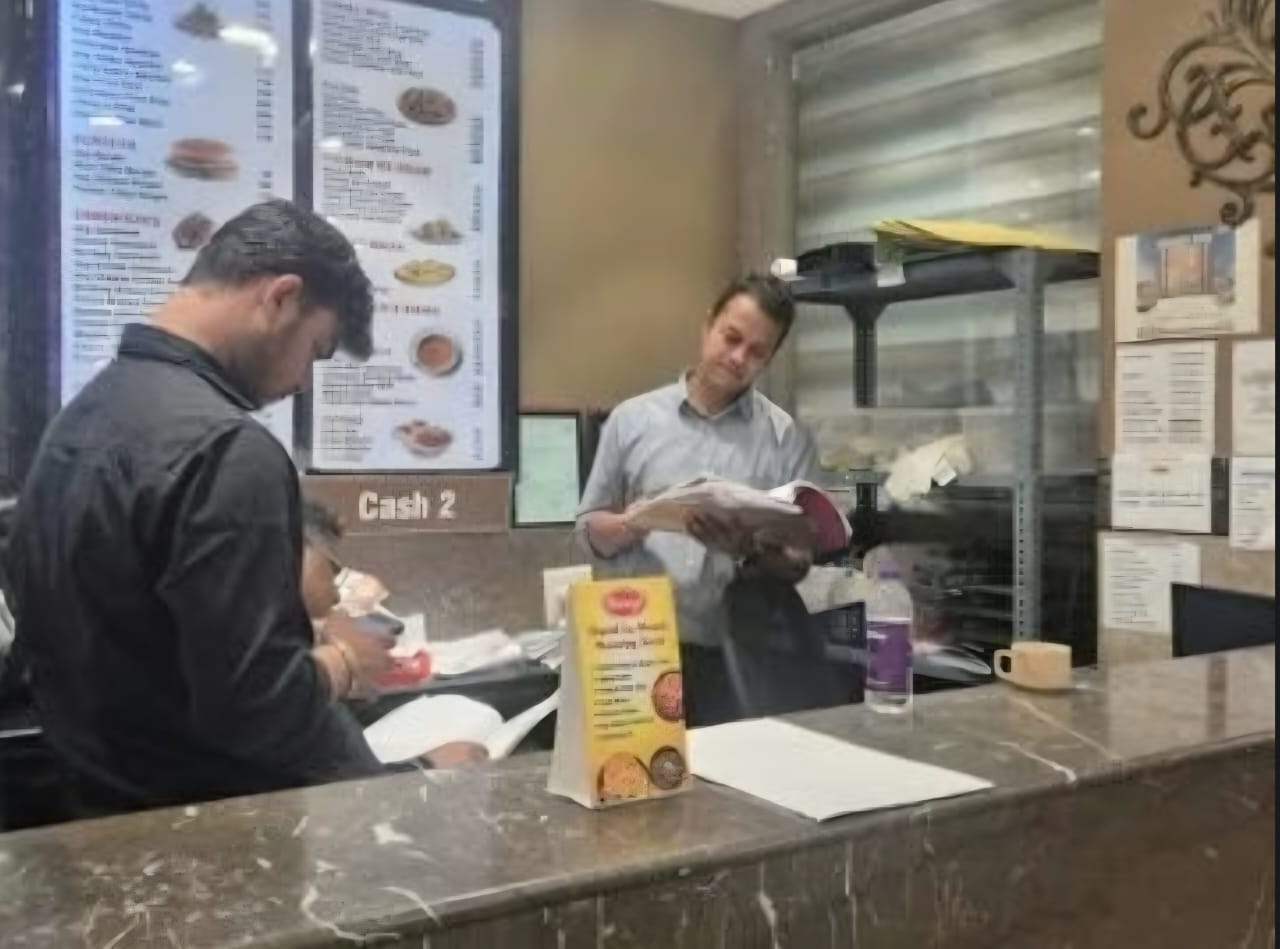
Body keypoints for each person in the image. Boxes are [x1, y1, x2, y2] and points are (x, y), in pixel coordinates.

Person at [8, 200, 480, 817]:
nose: (303, 382)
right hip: (213, 831)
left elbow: (136, 642)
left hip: (99, 815)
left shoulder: (80, 419)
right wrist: (346, 670)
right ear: (281, 298)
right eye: (316, 350)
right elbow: (256, 709)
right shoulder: (227, 449)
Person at [577, 274, 821, 726]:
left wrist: (749, 550)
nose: (738, 358)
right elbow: (590, 533)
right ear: (708, 325)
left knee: (726, 769)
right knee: (636, 770)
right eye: (732, 338)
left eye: (757, 352)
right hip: (633, 649)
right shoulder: (631, 421)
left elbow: (799, 563)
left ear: (770, 358)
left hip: (732, 657)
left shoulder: (787, 439)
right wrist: (635, 522)